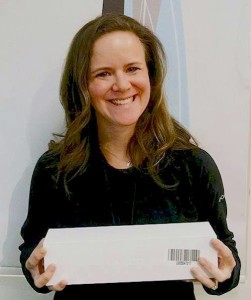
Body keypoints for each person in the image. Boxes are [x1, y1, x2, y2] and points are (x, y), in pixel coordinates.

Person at [19, 13, 241, 299]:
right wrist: (35, 271)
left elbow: (225, 253)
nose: (122, 85)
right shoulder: (54, 170)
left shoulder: (193, 165)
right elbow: (31, 249)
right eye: (103, 73)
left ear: (151, 76)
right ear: (83, 85)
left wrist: (224, 275)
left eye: (133, 68)